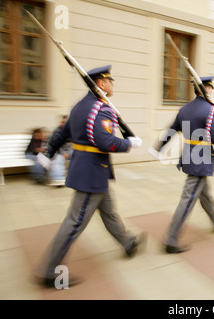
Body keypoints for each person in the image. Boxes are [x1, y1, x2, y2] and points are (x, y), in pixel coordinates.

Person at [35, 65, 146, 288]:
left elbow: (61, 133)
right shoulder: (100, 109)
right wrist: (128, 143)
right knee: (74, 222)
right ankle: (50, 271)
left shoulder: (79, 107)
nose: (113, 84)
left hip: (90, 170)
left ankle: (128, 242)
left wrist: (49, 153)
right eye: (110, 81)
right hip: (91, 172)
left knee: (109, 211)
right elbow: (105, 142)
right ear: (101, 83)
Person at [149, 76, 214, 254]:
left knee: (204, 192)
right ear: (208, 89)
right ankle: (171, 238)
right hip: (201, 159)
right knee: (188, 199)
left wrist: (159, 148)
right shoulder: (211, 111)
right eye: (211, 88)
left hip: (189, 155)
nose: (212, 91)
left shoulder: (185, 109)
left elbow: (171, 130)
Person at [47, 115, 72, 187]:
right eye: (62, 122)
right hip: (58, 151)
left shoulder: (72, 131)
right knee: (58, 160)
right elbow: (56, 144)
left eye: (65, 122)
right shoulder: (57, 132)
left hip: (70, 150)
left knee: (81, 156)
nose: (62, 124)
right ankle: (59, 179)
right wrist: (64, 152)